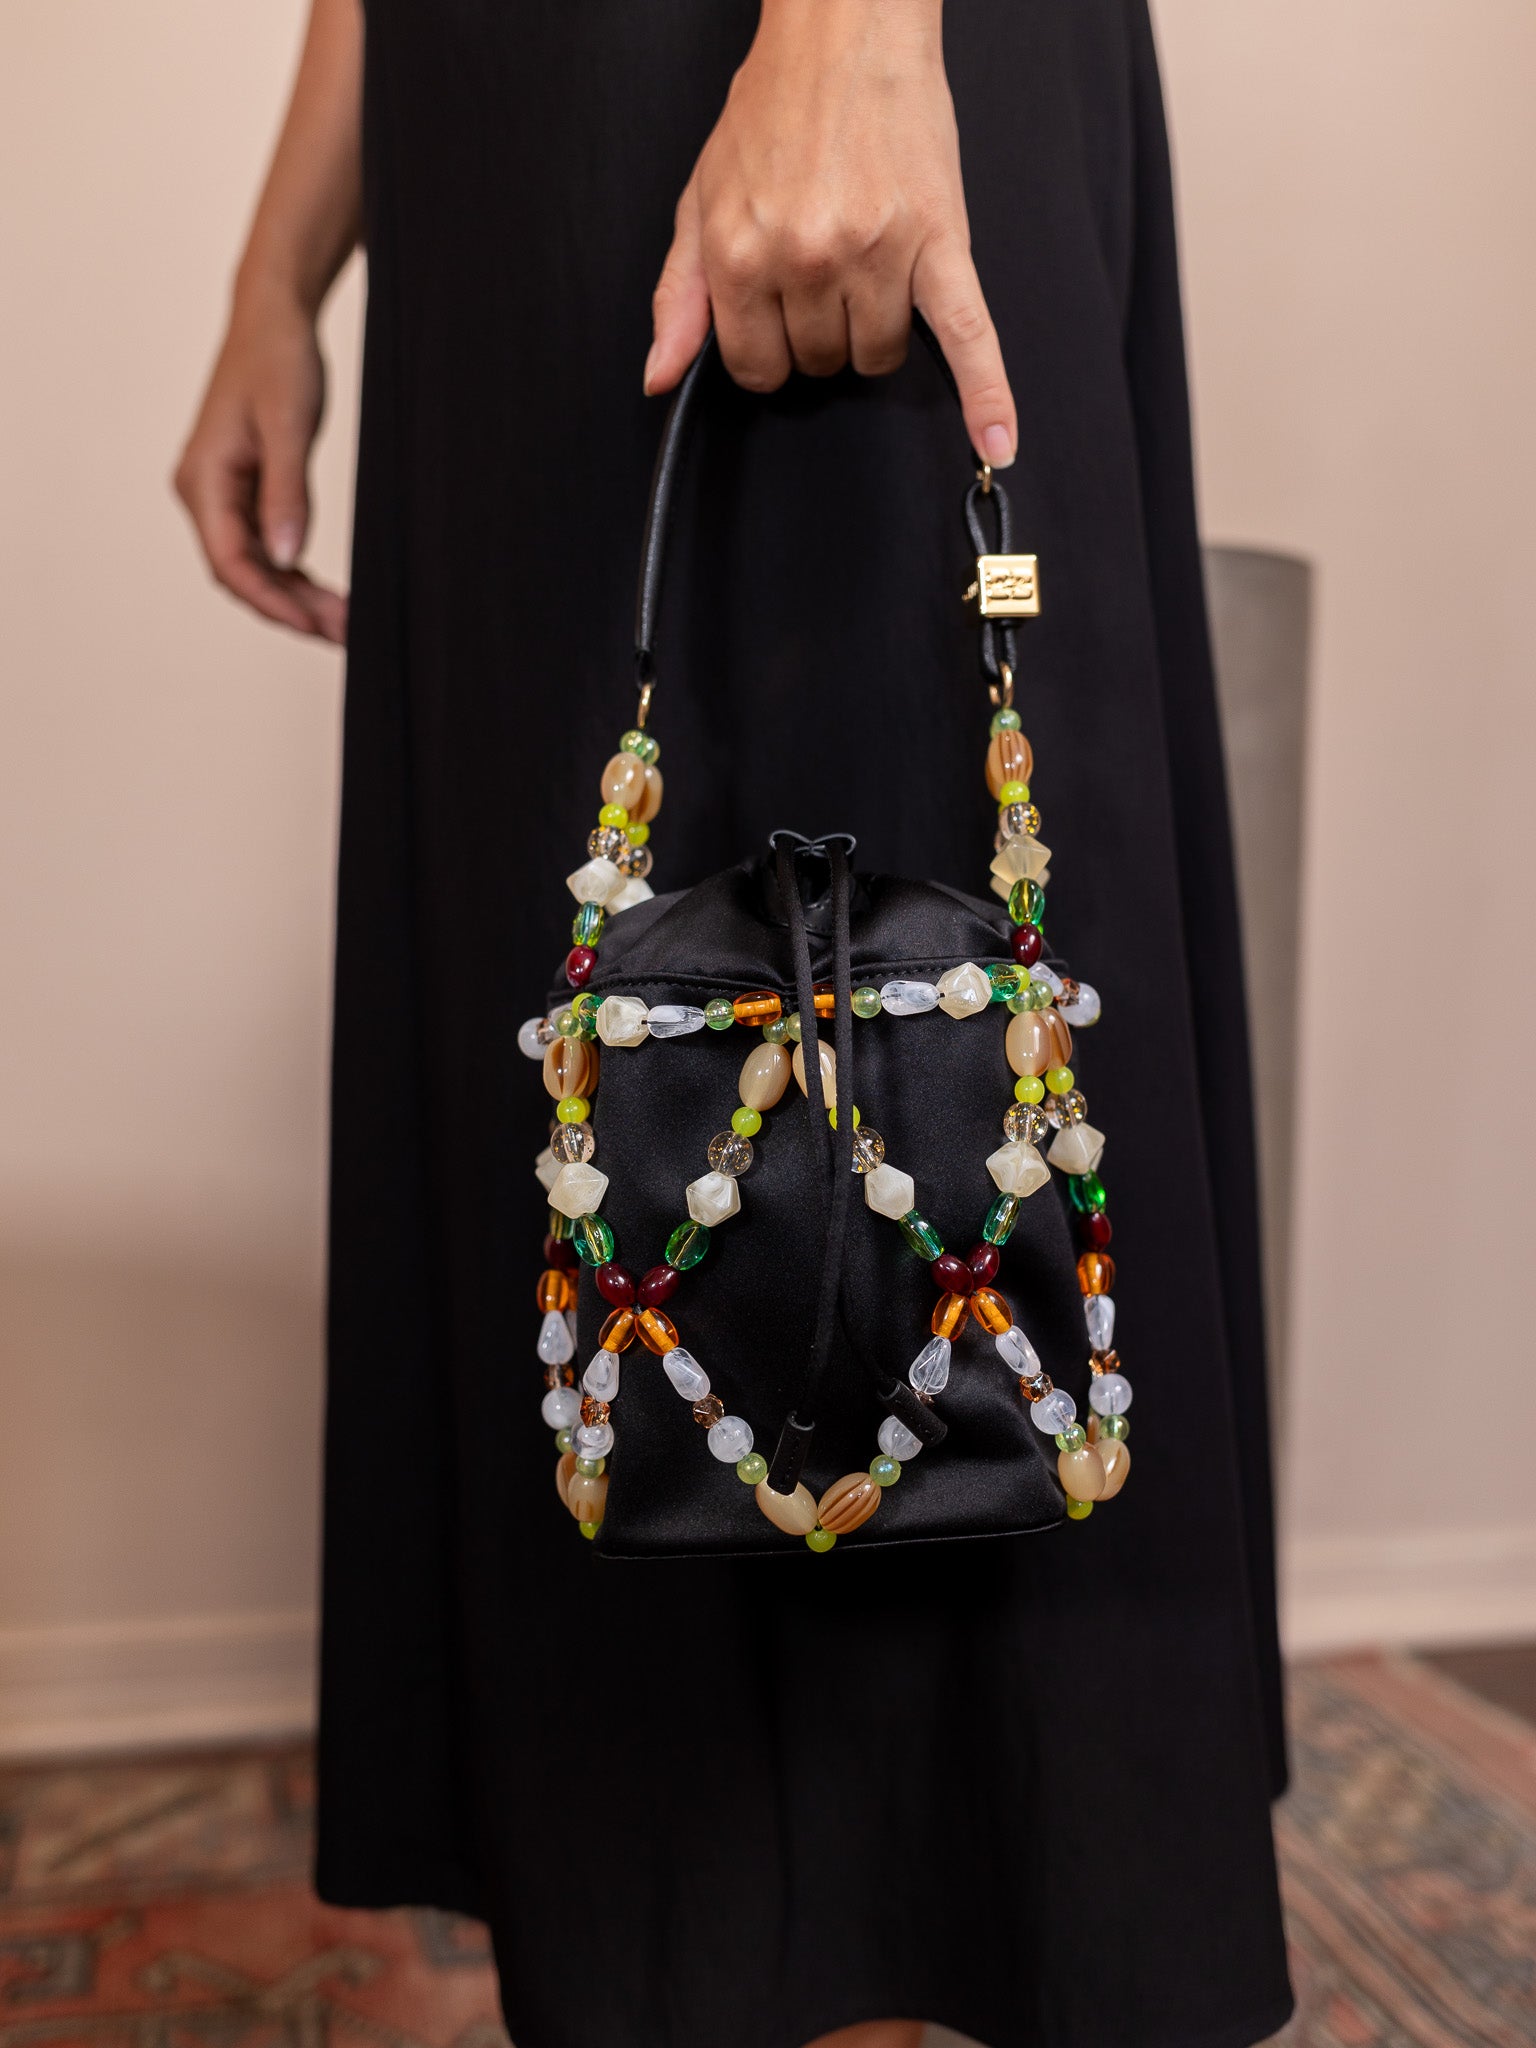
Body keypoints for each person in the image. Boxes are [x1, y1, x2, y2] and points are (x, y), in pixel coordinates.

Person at [176, 6, 1293, 2047]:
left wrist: (851, 36)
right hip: (504, 129)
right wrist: (280, 267)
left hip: (779, 49)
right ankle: (662, 1960)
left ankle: (963, 1943)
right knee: (606, 1035)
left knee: (941, 982)